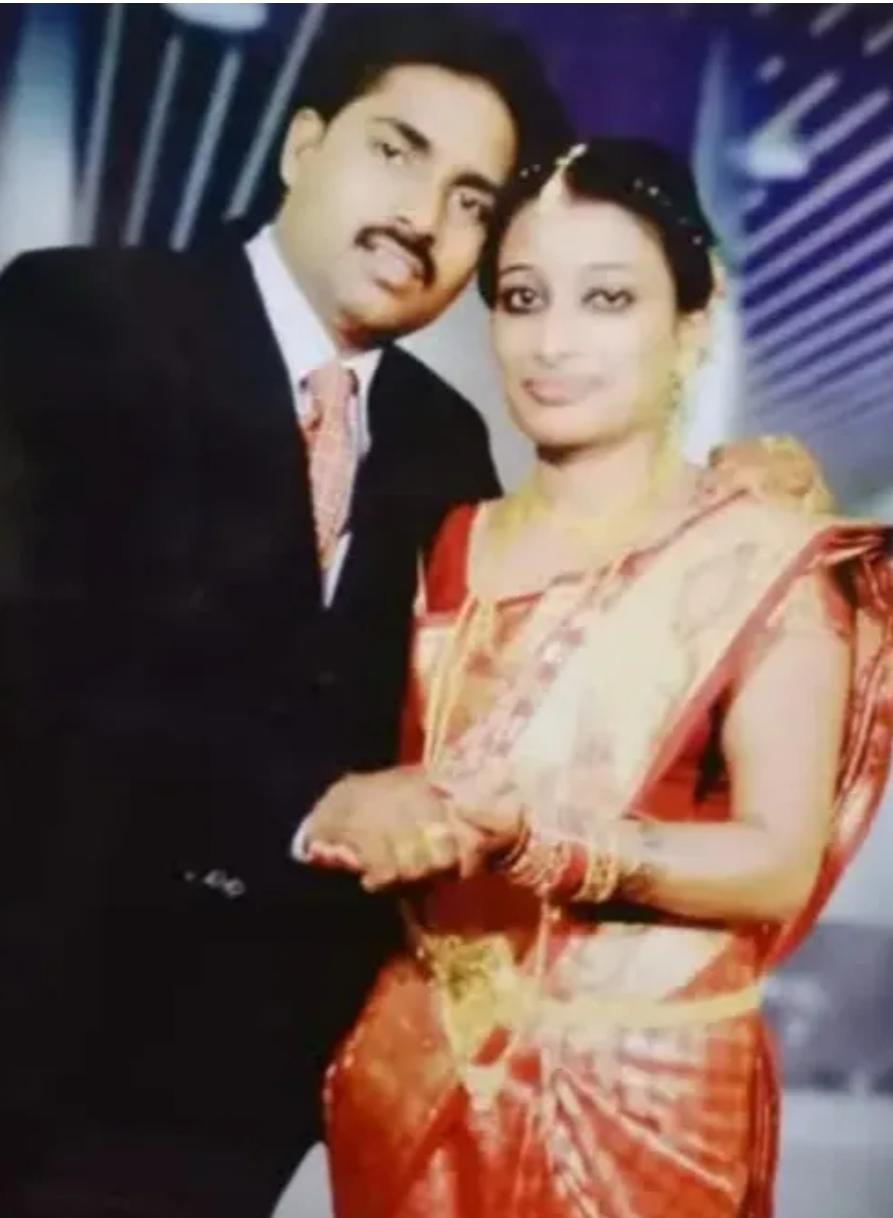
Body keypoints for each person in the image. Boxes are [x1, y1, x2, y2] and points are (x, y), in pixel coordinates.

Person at [0, 9, 569, 1217]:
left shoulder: (444, 445)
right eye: (396, 150)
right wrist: (308, 804)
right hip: (36, 1019)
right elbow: (39, 663)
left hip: (241, 1091)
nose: (420, 218)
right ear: (302, 145)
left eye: (470, 200)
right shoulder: (76, 317)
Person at [304, 139, 893, 1218]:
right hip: (414, 1079)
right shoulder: (437, 534)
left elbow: (773, 861)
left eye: (607, 298)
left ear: (692, 322)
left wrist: (543, 842)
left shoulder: (761, 557)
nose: (552, 341)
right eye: (522, 298)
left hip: (643, 1097)